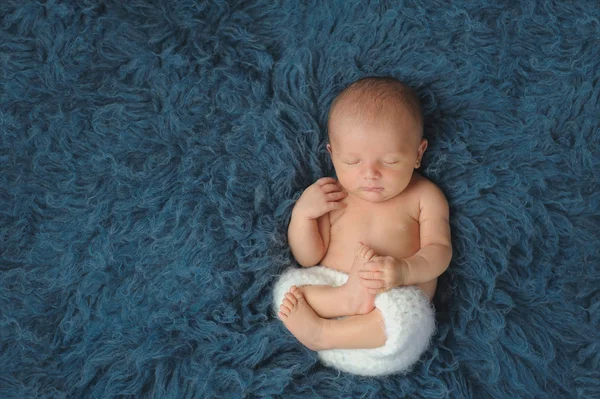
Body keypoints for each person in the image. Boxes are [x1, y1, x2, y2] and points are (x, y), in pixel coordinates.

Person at [273, 77, 452, 375]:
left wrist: (403, 271)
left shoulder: (425, 196)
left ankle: (322, 335)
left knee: (411, 315)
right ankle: (346, 301)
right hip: (332, 294)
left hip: (382, 315)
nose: (370, 175)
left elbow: (440, 251)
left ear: (418, 154)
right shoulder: (334, 195)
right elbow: (308, 258)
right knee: (289, 287)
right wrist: (303, 216)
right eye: (353, 161)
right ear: (332, 155)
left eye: (391, 162)